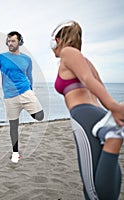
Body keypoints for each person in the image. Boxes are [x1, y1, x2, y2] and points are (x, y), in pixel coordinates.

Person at [50, 20, 124, 199]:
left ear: (57, 41)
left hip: (83, 117)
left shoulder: (67, 53)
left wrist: (114, 107)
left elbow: (86, 79)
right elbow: (100, 88)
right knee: (107, 169)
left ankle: (114, 133)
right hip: (99, 115)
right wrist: (112, 110)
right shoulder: (85, 61)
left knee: (91, 191)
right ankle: (114, 134)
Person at [0, 31, 44, 163]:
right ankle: (15, 153)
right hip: (9, 97)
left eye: (13, 41)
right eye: (9, 41)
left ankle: (26, 108)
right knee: (13, 125)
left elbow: (30, 76)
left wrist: (31, 92)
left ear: (19, 42)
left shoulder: (27, 59)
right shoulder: (1, 57)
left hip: (25, 92)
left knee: (40, 116)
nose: (10, 44)